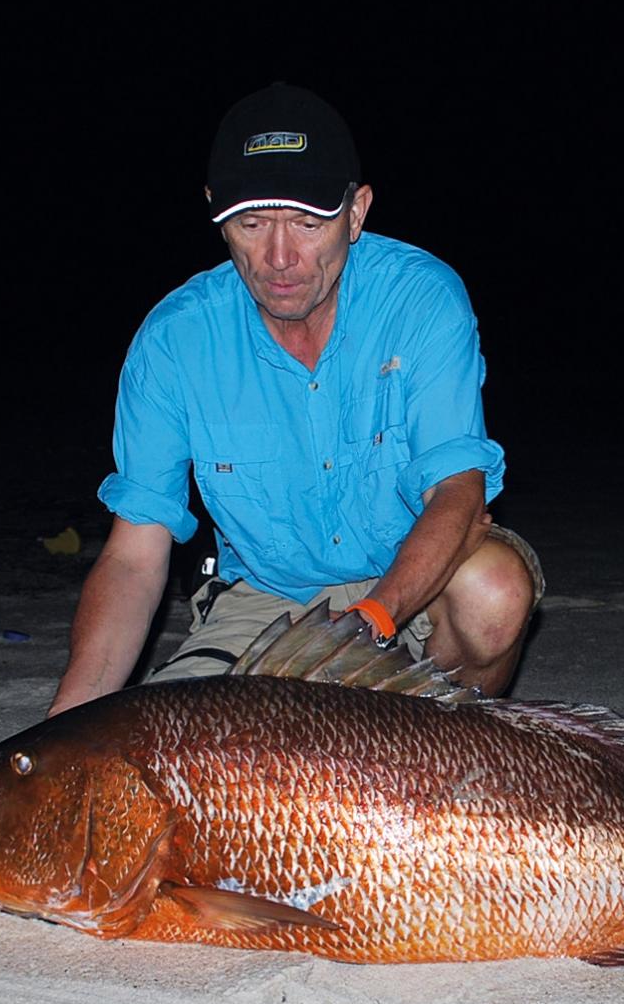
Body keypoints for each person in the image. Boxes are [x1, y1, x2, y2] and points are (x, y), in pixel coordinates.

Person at [47, 82, 541, 718]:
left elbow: (458, 494)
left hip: (414, 585)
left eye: (309, 224)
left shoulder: (420, 300)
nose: (280, 258)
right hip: (266, 602)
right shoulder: (174, 340)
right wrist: (68, 721)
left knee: (493, 590)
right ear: (215, 214)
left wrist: (365, 630)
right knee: (166, 746)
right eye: (252, 224)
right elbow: (134, 558)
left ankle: (445, 743)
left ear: (356, 212)